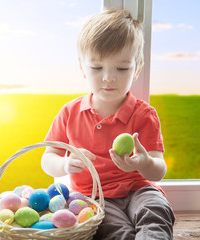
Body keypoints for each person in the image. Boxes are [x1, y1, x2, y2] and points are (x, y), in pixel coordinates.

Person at [41, 9, 175, 239]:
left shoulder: (144, 115)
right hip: (94, 196)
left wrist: (143, 163)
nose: (109, 78)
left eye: (122, 68)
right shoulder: (70, 113)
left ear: (137, 69)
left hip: (140, 190)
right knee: (111, 229)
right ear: (82, 68)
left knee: (155, 214)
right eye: (97, 68)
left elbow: (159, 169)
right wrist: (64, 165)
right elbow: (47, 158)